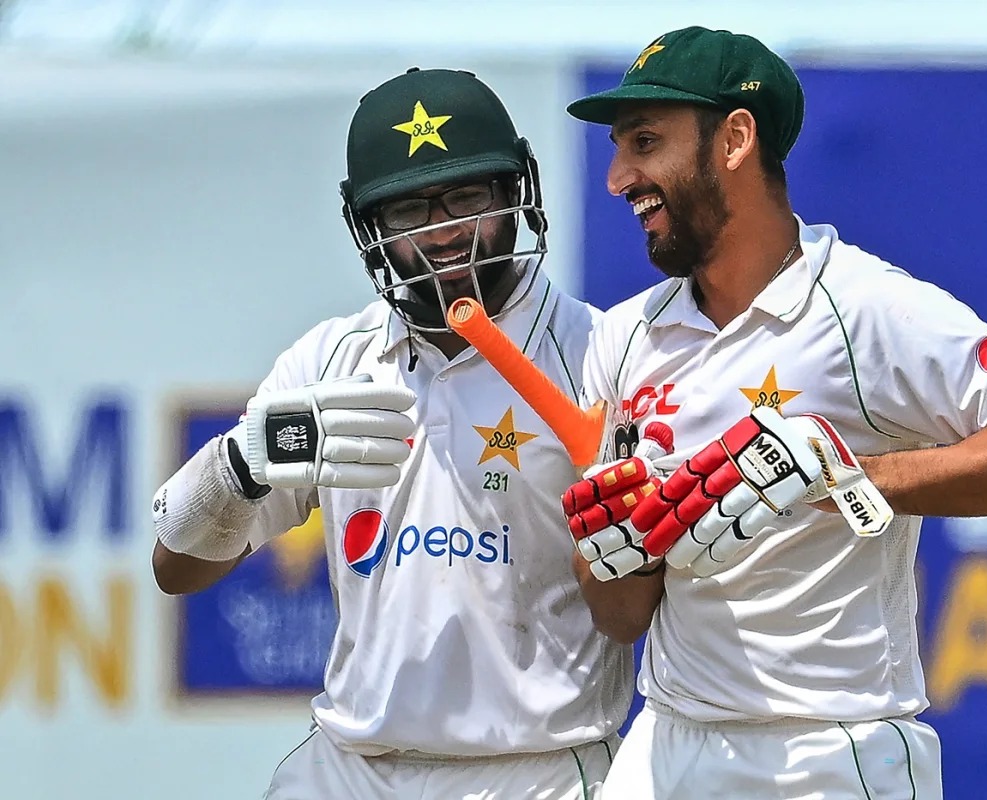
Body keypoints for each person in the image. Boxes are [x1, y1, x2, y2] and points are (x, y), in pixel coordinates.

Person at [559, 26, 987, 799]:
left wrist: (841, 474)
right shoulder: (626, 337)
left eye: (645, 142)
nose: (619, 178)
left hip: (829, 754)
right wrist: (613, 549)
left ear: (735, 139)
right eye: (620, 149)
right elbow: (623, 617)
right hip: (664, 744)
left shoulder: (866, 309)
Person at [150, 67, 633, 800]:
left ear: (515, 191)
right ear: (370, 228)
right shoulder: (329, 362)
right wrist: (238, 468)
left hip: (539, 771)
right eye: (408, 209)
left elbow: (632, 616)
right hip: (350, 769)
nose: (443, 231)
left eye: (467, 197)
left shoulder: (599, 356)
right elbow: (176, 569)